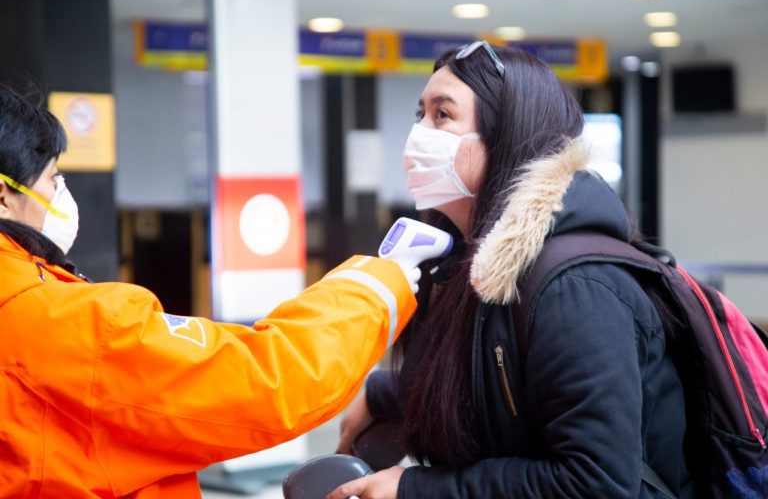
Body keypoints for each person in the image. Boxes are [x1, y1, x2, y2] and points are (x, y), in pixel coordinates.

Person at [0, 86, 419, 498]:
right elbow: (266, 382)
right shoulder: (58, 323)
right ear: (4, 195)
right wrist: (376, 285)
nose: (61, 193)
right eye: (53, 178)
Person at [329, 41, 694, 498]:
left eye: (443, 115)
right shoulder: (465, 261)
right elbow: (484, 372)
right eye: (420, 115)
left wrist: (416, 490)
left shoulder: (576, 287)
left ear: (507, 135)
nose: (420, 133)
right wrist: (386, 393)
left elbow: (596, 483)